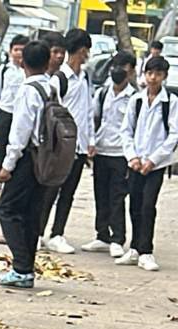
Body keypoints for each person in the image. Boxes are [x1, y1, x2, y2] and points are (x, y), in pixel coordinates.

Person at [0, 38, 52, 290]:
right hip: (46, 158)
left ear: (23, 63)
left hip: (28, 157)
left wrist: (7, 165)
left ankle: (20, 266)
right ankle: (26, 268)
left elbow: (20, 131)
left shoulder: (28, 90)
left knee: (7, 208)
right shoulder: (51, 87)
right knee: (31, 213)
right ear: (47, 63)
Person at [118, 54, 178, 272]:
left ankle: (146, 250)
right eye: (150, 73)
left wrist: (153, 160)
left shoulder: (171, 102)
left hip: (155, 164)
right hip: (136, 161)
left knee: (148, 205)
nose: (153, 78)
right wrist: (132, 157)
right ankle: (134, 247)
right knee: (134, 204)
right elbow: (126, 130)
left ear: (164, 76)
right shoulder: (137, 100)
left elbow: (173, 135)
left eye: (158, 74)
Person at [41, 28, 94, 254]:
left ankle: (57, 233)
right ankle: (38, 232)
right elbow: (51, 112)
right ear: (81, 51)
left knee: (68, 193)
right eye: (86, 51)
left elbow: (88, 111)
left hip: (80, 145)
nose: (87, 55)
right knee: (50, 190)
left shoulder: (85, 78)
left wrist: (91, 140)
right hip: (61, 146)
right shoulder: (59, 79)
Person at [80, 50, 136, 257]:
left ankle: (117, 238)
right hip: (102, 150)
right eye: (115, 67)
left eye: (123, 68)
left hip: (121, 154)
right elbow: (94, 118)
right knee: (100, 194)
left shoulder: (134, 98)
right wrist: (91, 143)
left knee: (117, 196)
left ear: (131, 72)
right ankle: (101, 235)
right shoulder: (103, 93)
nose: (117, 71)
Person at [0, 35, 28, 183]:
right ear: (10, 51)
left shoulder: (27, 71)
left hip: (20, 113)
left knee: (16, 144)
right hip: (5, 111)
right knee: (1, 144)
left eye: (22, 50)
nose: (19, 53)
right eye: (16, 50)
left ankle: (12, 174)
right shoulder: (4, 70)